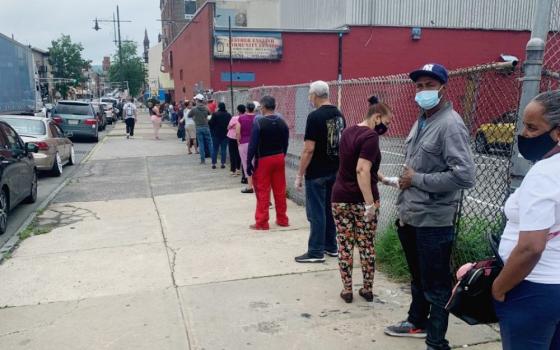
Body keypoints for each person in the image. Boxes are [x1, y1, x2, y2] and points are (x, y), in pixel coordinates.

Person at [384, 63, 475, 350]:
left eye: (430, 85)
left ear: (443, 88)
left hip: (434, 221)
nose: (423, 91)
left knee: (436, 284)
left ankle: (437, 341)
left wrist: (418, 179)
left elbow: (464, 176)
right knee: (418, 276)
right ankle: (417, 321)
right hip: (411, 215)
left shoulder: (450, 124)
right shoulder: (422, 120)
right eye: (419, 85)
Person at [491, 90, 560, 350]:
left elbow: (531, 246)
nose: (524, 134)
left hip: (533, 288)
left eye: (532, 127)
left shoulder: (544, 172)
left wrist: (500, 287)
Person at [331, 100, 393, 303]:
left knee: (345, 244)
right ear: (377, 117)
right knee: (366, 246)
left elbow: (356, 164)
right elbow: (361, 169)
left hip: (340, 198)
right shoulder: (371, 136)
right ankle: (367, 289)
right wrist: (369, 204)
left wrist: (382, 178)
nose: (387, 125)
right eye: (386, 121)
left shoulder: (348, 132)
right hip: (362, 200)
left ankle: (347, 290)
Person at [294, 80, 346, 263]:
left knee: (316, 212)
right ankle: (330, 246)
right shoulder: (339, 115)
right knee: (329, 210)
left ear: (315, 95)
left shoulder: (314, 117)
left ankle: (315, 251)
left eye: (310, 94)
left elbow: (309, 149)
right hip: (335, 169)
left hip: (317, 172)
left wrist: (300, 174)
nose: (309, 97)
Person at [246, 95, 290, 230]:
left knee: (263, 190)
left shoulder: (259, 123)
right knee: (280, 189)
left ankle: (262, 222)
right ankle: (282, 219)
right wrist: (283, 155)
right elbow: (286, 142)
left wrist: (249, 162)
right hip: (279, 157)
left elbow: (252, 145)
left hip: (263, 160)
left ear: (264, 107)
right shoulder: (282, 122)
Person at [237, 102, 259, 193]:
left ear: (246, 109)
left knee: (246, 163)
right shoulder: (258, 118)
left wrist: (238, 141)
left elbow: (238, 132)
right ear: (254, 109)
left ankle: (250, 186)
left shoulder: (241, 118)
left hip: (244, 143)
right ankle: (258, 184)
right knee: (257, 164)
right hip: (256, 143)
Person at [189, 94, 213, 164]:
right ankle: (213, 159)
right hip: (206, 127)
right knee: (210, 143)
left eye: (195, 100)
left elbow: (189, 115)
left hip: (198, 127)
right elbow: (210, 114)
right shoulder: (206, 108)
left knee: (201, 144)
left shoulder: (194, 109)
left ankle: (203, 160)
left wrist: (194, 119)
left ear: (197, 100)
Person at [209, 102, 232, 169]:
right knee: (223, 149)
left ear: (219, 107)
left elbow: (210, 123)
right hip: (225, 134)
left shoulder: (215, 114)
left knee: (215, 149)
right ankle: (223, 163)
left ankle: (213, 164)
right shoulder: (228, 115)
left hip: (216, 134)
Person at [228, 105, 244, 176]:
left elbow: (228, 127)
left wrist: (233, 126)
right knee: (239, 153)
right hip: (240, 137)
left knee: (232, 153)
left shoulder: (234, 118)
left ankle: (232, 170)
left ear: (238, 111)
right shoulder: (244, 118)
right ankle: (238, 169)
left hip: (231, 137)